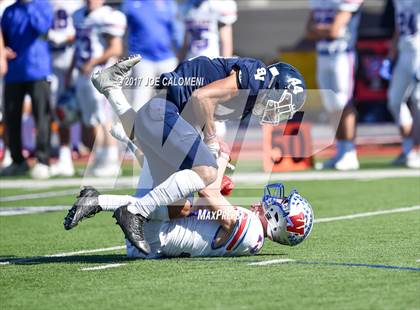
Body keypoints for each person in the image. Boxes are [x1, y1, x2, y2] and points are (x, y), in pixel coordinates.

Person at [72, 53, 306, 255]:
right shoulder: (258, 77)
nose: (281, 111)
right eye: (284, 103)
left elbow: (208, 193)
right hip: (175, 101)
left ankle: (113, 93)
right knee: (192, 175)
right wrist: (212, 147)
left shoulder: (251, 232)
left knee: (186, 193)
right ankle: (123, 203)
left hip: (172, 107)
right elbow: (202, 98)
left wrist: (214, 157)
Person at [68, 0, 126, 177]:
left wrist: (92, 63)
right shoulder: (78, 14)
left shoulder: (108, 15)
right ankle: (101, 158)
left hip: (101, 75)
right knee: (91, 120)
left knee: (104, 118)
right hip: (83, 74)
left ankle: (112, 160)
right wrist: (70, 71)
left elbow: (116, 48)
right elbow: (78, 46)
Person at [306, 0, 363, 171]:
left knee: (344, 103)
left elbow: (334, 30)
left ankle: (350, 152)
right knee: (331, 104)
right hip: (323, 55)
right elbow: (308, 31)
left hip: (342, 56)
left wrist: (320, 29)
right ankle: (341, 149)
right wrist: (324, 30)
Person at [0, 0, 54, 179]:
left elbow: (42, 28)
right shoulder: (9, 11)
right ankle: (17, 161)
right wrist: (4, 50)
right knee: (11, 118)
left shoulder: (44, 5)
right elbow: (4, 38)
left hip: (38, 71)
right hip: (14, 72)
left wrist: (29, 6)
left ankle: (43, 161)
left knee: (42, 117)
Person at [178, 0, 238, 138]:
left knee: (213, 111)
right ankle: (199, 154)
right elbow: (185, 43)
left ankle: (216, 153)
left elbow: (226, 40)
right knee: (190, 113)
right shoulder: (187, 7)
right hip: (191, 66)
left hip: (212, 65)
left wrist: (226, 67)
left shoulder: (219, 5)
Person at [121, 0, 181, 112]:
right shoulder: (129, 4)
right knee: (139, 101)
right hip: (142, 60)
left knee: (176, 101)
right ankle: (136, 129)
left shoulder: (168, 3)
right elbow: (121, 33)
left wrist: (180, 54)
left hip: (167, 58)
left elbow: (177, 31)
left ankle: (173, 129)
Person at [48, 0, 83, 177]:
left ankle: (102, 154)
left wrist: (65, 37)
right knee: (60, 111)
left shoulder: (77, 5)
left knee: (86, 111)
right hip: (52, 63)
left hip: (76, 62)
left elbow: (82, 32)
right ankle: (65, 156)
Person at [384, 0, 420, 169]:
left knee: (418, 101)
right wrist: (391, 55)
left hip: (418, 52)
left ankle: (415, 150)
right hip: (405, 52)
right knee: (394, 100)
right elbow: (399, 28)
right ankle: (408, 150)